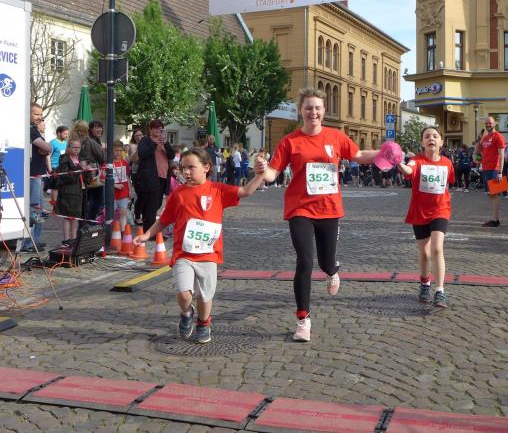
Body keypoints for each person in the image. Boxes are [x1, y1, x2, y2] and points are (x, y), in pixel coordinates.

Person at [257, 87, 394, 342]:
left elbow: (358, 155)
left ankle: (332, 271)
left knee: (325, 261)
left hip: (329, 208)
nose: (313, 112)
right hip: (300, 208)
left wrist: (383, 153)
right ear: (301, 110)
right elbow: (273, 174)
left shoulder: (335, 136)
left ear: (323, 110)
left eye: (317, 108)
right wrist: (262, 169)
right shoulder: (290, 141)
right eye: (308, 107)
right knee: (305, 261)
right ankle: (303, 319)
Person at [134, 148, 265, 344]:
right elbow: (164, 220)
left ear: (206, 167)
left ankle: (204, 323)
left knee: (205, 296)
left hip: (208, 254)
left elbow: (245, 191)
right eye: (183, 168)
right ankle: (187, 312)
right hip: (183, 253)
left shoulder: (218, 190)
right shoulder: (178, 194)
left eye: (191, 167)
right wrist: (146, 235)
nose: (186, 172)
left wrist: (260, 175)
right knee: (183, 293)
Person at [397, 126, 454, 308]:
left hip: (440, 211)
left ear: (441, 142)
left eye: (435, 136)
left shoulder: (447, 163)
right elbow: (408, 171)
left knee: (437, 249)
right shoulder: (416, 160)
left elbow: (449, 183)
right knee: (425, 253)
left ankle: (440, 291)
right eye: (427, 136)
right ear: (422, 142)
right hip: (419, 211)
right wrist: (398, 162)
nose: (431, 139)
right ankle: (424, 284)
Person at [20, 104, 51, 252]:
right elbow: (47, 148)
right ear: (29, 113)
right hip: (32, 175)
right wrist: (46, 148)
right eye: (36, 114)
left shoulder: (35, 129)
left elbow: (45, 149)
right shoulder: (30, 130)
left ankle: (35, 241)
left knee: (38, 210)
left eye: (41, 114)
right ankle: (28, 243)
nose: (40, 117)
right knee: (33, 209)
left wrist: (45, 149)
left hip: (38, 174)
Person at [136, 119, 175, 232]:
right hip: (150, 177)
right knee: (151, 205)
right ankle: (149, 232)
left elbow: (172, 155)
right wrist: (154, 144)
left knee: (157, 204)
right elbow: (142, 154)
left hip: (163, 177)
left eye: (160, 129)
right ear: (150, 129)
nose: (158, 131)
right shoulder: (146, 140)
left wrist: (166, 143)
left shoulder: (163, 141)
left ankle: (149, 229)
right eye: (156, 128)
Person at [50, 139, 87, 245]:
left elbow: (86, 177)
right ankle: (66, 240)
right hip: (68, 192)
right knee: (67, 217)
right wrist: (79, 168)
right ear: (69, 148)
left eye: (78, 147)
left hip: (79, 192)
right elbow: (67, 177)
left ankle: (74, 239)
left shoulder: (81, 159)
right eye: (74, 147)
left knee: (76, 217)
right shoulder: (64, 159)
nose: (76, 149)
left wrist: (87, 170)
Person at [478, 116, 506, 227]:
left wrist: (500, 171)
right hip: (486, 168)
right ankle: (495, 219)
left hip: (495, 169)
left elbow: (502, 155)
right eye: (486, 123)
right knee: (491, 194)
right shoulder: (485, 138)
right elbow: (481, 151)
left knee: (495, 194)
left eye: (490, 123)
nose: (488, 125)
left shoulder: (498, 136)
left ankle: (495, 220)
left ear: (494, 124)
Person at [83, 120, 106, 222]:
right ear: (91, 129)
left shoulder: (95, 140)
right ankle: (89, 221)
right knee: (96, 199)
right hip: (92, 174)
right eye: (96, 127)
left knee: (92, 199)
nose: (99, 129)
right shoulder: (91, 140)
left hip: (94, 173)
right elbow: (101, 157)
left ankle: (87, 221)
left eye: (100, 127)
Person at [112, 140, 131, 233]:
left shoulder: (124, 163)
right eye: (116, 150)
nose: (118, 153)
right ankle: (113, 232)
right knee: (112, 213)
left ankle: (123, 232)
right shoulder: (108, 164)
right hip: (112, 193)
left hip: (124, 192)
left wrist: (130, 190)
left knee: (123, 212)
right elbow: (103, 179)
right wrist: (115, 185)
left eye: (120, 150)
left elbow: (127, 177)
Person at [128, 128, 145, 225]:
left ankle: (142, 214)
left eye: (140, 135)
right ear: (134, 138)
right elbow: (135, 159)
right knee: (140, 196)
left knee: (145, 196)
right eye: (136, 136)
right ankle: (137, 216)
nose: (139, 137)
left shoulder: (145, 144)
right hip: (136, 173)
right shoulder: (133, 146)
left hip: (145, 173)